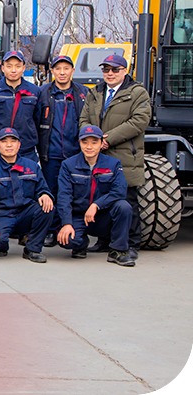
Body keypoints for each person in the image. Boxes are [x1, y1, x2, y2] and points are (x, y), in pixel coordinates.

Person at [78, 53, 151, 259]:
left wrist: (107, 139)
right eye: (106, 69)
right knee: (101, 196)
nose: (110, 73)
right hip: (98, 155)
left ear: (124, 71)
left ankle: (131, 243)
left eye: (115, 69)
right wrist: (92, 139)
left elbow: (139, 121)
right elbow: (84, 119)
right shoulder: (95, 93)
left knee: (127, 201)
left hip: (124, 155)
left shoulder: (137, 93)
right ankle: (104, 240)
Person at [55, 125, 135, 266]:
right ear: (79, 143)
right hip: (79, 216)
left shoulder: (113, 164)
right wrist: (67, 223)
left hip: (103, 216)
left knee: (124, 207)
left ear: (101, 143)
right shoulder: (68, 165)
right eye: (85, 142)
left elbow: (119, 191)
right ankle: (80, 244)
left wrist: (97, 205)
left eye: (94, 142)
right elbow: (64, 196)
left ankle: (118, 251)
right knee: (67, 240)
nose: (89, 147)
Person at [0, 127, 56, 262]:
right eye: (4, 141)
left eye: (13, 141)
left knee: (47, 208)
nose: (9, 145)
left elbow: (42, 188)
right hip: (2, 215)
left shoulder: (32, 166)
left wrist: (45, 194)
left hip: (26, 213)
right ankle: (1, 245)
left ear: (19, 144)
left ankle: (33, 249)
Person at [38, 54, 88, 244]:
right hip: (51, 152)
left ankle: (72, 227)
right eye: (58, 69)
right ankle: (51, 230)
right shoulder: (43, 93)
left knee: (73, 192)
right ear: (52, 71)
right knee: (51, 190)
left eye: (66, 69)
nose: (62, 73)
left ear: (72, 71)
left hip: (75, 152)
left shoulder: (83, 94)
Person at [0, 50, 42, 161]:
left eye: (17, 66)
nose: (13, 70)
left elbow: (38, 120)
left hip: (26, 149)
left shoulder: (34, 91)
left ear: (23, 68)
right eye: (9, 66)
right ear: (2, 68)